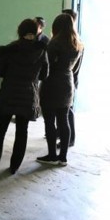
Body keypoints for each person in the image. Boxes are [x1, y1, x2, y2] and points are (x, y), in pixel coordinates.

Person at [0, 19, 48, 175]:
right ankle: (14, 167)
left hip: (9, 93)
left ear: (20, 31)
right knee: (22, 131)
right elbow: (44, 74)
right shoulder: (41, 50)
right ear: (36, 31)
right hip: (28, 95)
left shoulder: (10, 49)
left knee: (0, 130)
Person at [37, 13, 83, 166]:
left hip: (52, 83)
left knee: (50, 121)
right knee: (64, 120)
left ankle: (52, 155)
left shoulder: (54, 43)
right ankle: (63, 157)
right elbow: (75, 68)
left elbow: (46, 65)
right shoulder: (77, 44)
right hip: (67, 82)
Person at [60, 8, 83, 148]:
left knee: (67, 111)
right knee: (65, 111)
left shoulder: (75, 41)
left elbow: (75, 67)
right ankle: (64, 137)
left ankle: (70, 139)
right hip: (69, 78)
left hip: (69, 79)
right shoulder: (68, 39)